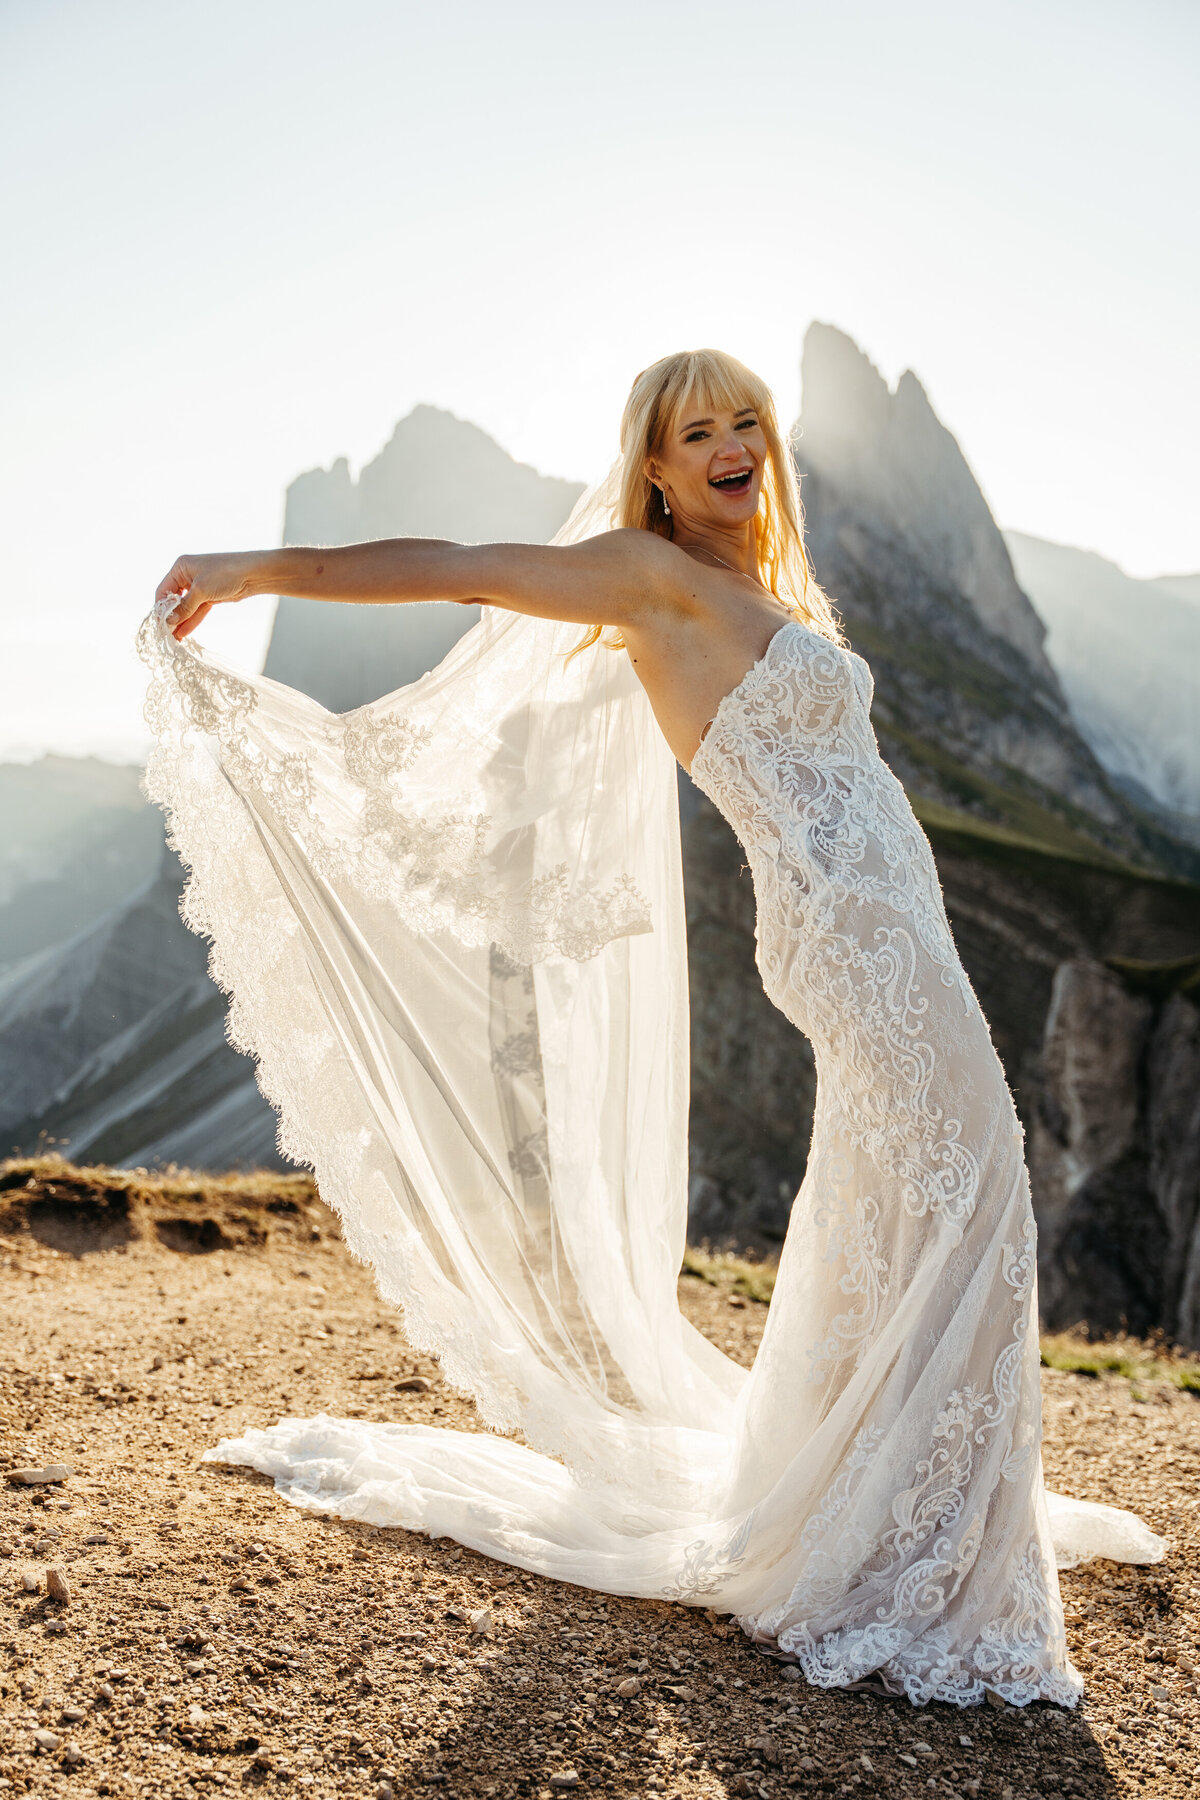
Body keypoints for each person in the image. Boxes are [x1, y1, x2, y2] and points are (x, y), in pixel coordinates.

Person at [145, 349, 1163, 1710]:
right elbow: (459, 560)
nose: (735, 443)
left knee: (914, 1193)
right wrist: (248, 568)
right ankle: (904, 1536)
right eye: (701, 431)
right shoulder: (650, 577)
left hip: (897, 922)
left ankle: (902, 1506)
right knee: (970, 1175)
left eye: (749, 421)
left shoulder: (756, 585)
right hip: (848, 940)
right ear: (658, 465)